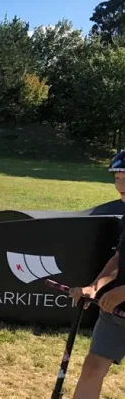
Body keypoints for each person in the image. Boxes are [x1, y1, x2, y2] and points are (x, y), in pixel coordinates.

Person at [67, 151, 125, 399]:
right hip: (116, 311)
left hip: (119, 299)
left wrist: (122, 292)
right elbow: (119, 258)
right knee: (92, 368)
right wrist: (95, 286)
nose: (120, 186)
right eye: (117, 178)